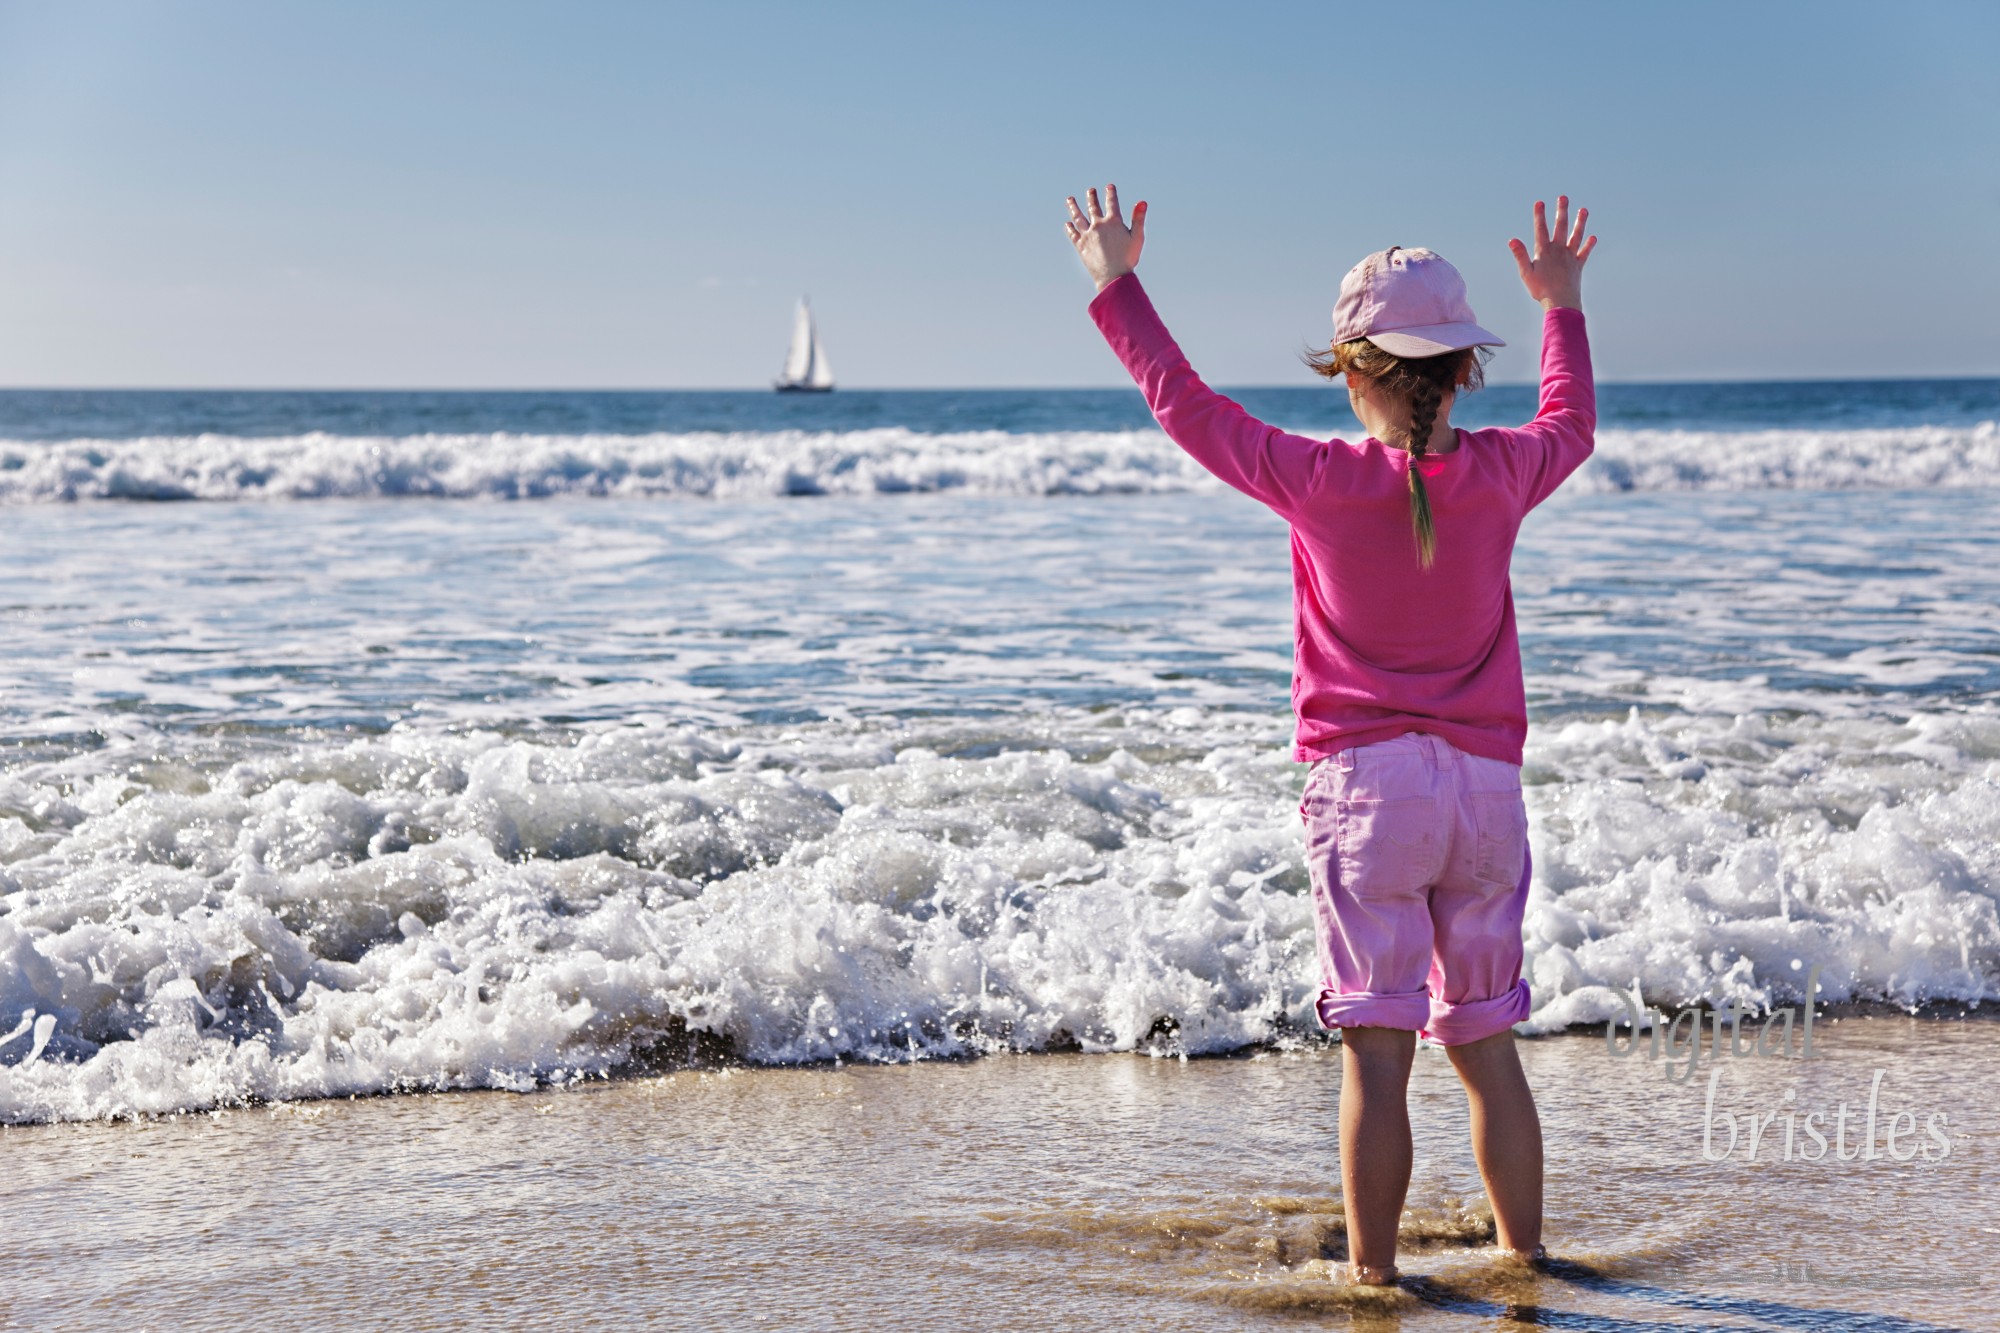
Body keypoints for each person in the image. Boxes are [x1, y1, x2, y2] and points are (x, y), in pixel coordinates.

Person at [1063, 184, 1597, 1287]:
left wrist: (1116, 284)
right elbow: (1570, 424)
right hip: (1485, 797)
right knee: (1485, 1045)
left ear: (1353, 372)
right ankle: (1524, 1257)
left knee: (1378, 1056)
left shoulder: (1313, 479)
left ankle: (1372, 1278)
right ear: (1461, 372)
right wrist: (1561, 304)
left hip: (1366, 798)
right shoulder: (1499, 473)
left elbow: (1186, 406)